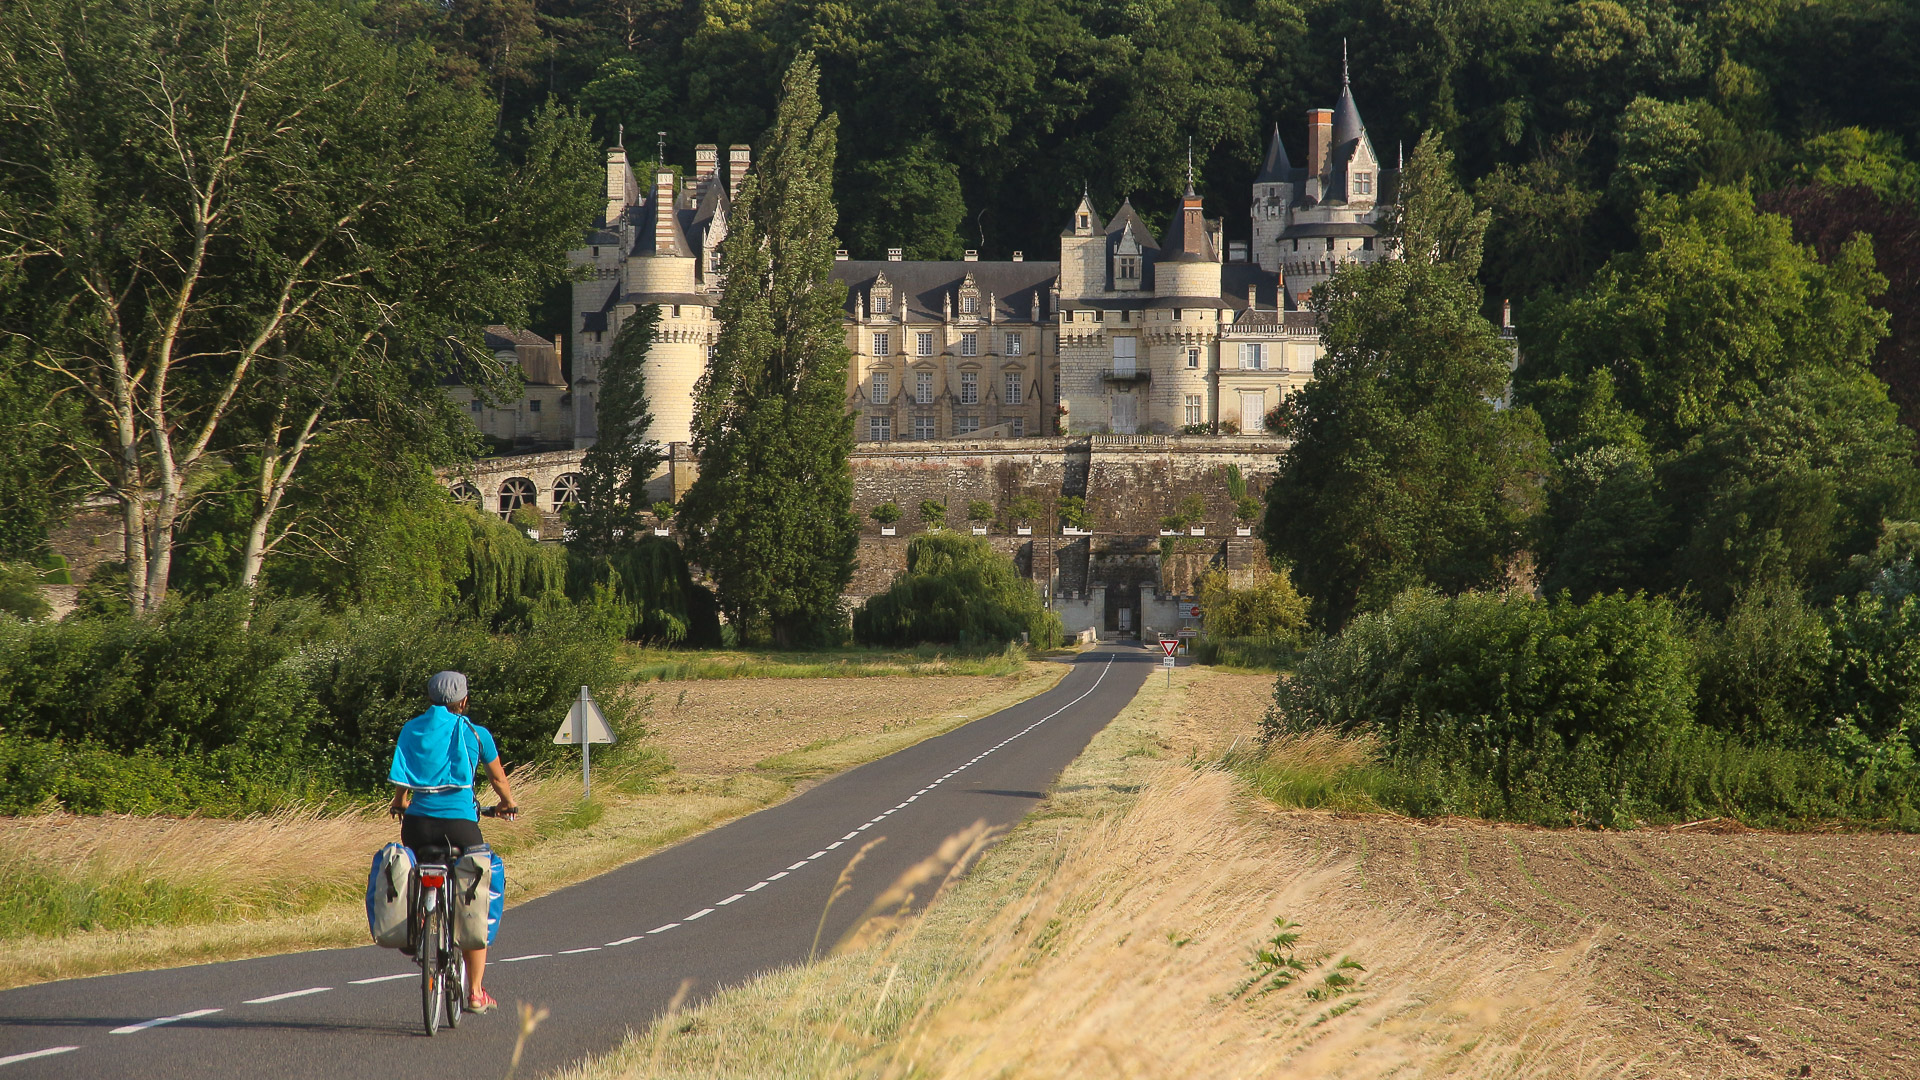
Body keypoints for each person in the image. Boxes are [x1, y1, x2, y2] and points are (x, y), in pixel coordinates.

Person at [388, 670, 518, 1015]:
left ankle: (416, 925)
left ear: (430, 697)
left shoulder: (411, 729)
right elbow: (497, 778)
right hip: (460, 826)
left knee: (413, 868)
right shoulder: (475, 732)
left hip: (416, 825)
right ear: (463, 700)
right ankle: (475, 991)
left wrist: (402, 802)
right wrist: (507, 804)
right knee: (476, 889)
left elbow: (403, 779)